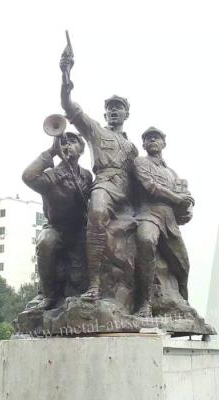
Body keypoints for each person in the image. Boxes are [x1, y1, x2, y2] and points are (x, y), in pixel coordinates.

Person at [60, 52, 138, 301]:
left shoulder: (133, 148)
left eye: (119, 108)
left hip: (127, 193)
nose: (114, 111)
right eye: (110, 108)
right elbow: (69, 107)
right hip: (104, 183)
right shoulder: (95, 130)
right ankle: (93, 284)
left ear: (127, 114)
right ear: (105, 114)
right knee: (96, 214)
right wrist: (65, 76)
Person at [22, 131, 92, 309]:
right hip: (56, 227)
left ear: (81, 149)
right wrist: (51, 152)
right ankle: (47, 295)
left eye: (72, 142)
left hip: (78, 229)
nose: (67, 145)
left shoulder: (86, 175)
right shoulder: (52, 174)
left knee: (77, 280)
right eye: (63, 142)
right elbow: (28, 177)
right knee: (45, 241)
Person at [133, 127, 194, 317]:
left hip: (170, 220)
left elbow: (184, 198)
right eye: (148, 138)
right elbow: (150, 186)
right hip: (148, 213)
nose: (152, 141)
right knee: (146, 241)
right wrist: (177, 198)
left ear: (163, 144)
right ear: (143, 144)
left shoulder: (172, 173)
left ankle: (183, 303)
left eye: (156, 138)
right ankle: (145, 303)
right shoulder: (140, 162)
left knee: (183, 264)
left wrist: (188, 205)